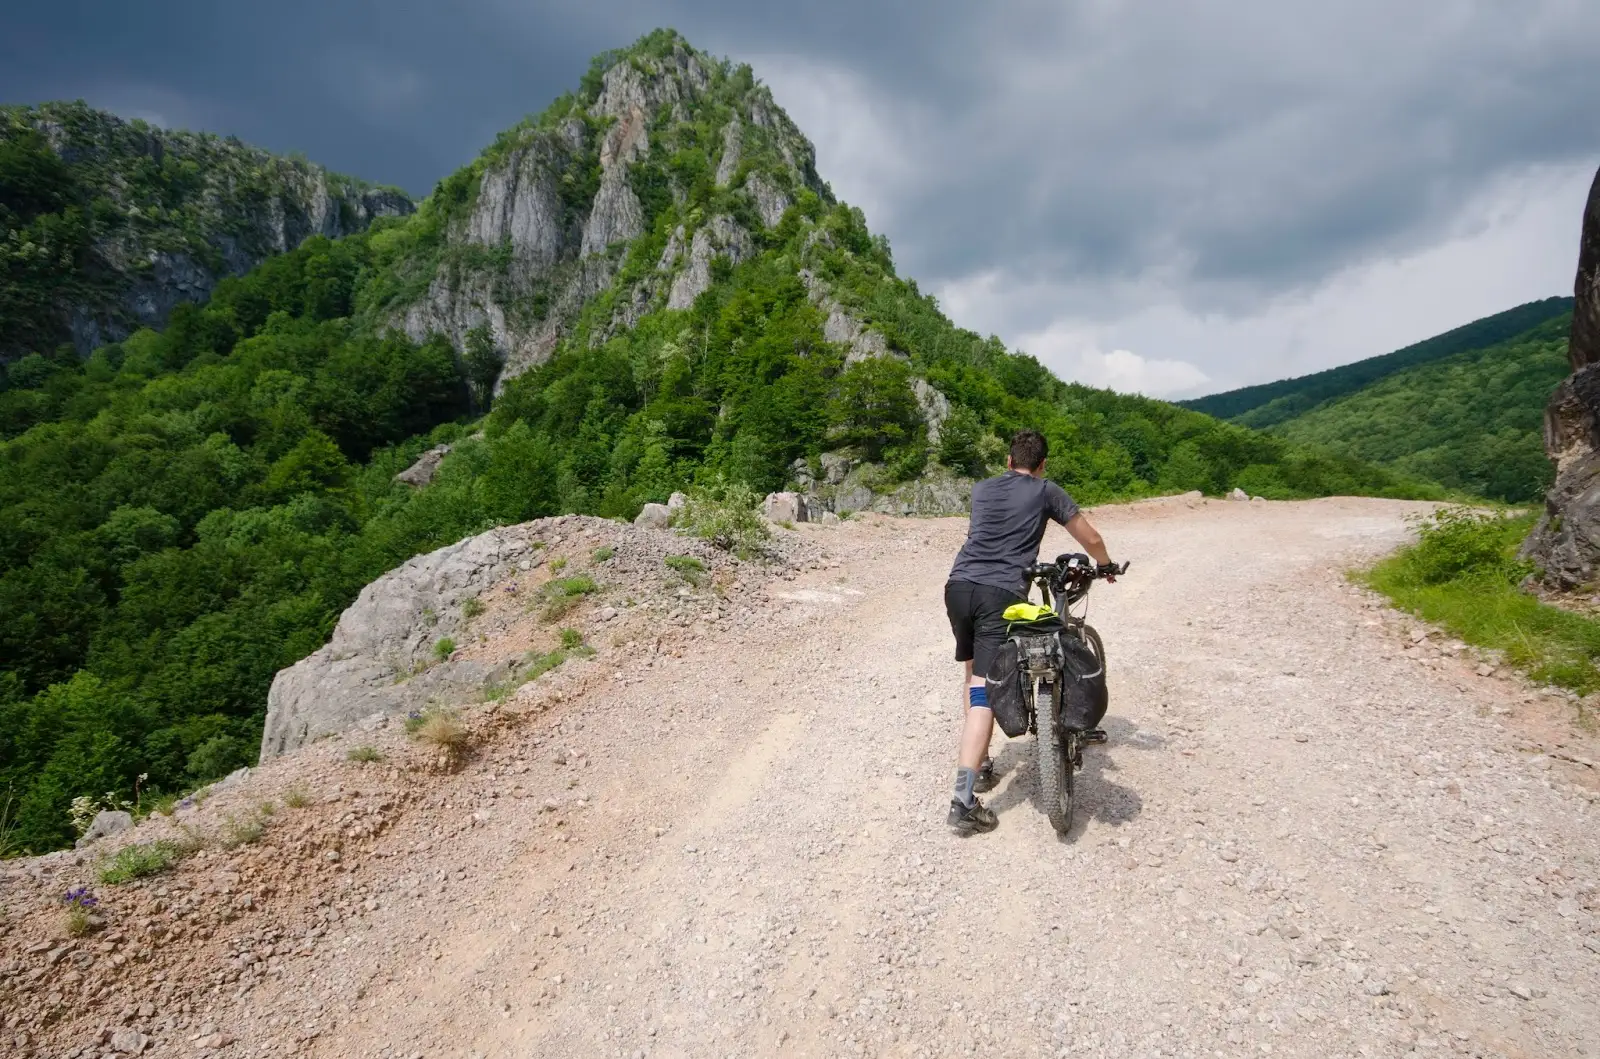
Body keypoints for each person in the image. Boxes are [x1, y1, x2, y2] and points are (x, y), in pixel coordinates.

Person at [943, 429, 1117, 833]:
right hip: (998, 593)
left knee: (972, 677)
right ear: (1042, 466)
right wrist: (1105, 564)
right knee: (985, 691)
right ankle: (963, 800)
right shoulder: (1045, 490)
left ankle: (983, 762)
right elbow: (1089, 536)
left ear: (1007, 461)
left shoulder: (982, 489)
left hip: (957, 587)